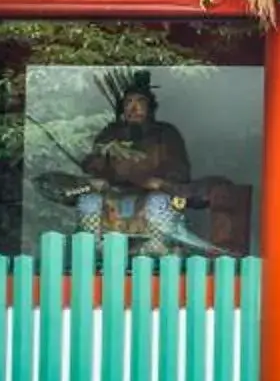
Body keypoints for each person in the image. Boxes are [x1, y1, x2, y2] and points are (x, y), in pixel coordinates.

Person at [69, 72, 195, 252]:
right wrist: (100, 170)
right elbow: (91, 163)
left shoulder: (166, 133)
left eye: (140, 102)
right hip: (112, 197)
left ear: (150, 107)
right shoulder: (111, 132)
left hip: (151, 197)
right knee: (89, 201)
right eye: (128, 102)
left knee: (160, 203)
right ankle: (93, 251)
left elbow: (180, 172)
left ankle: (156, 250)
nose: (134, 108)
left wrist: (160, 182)